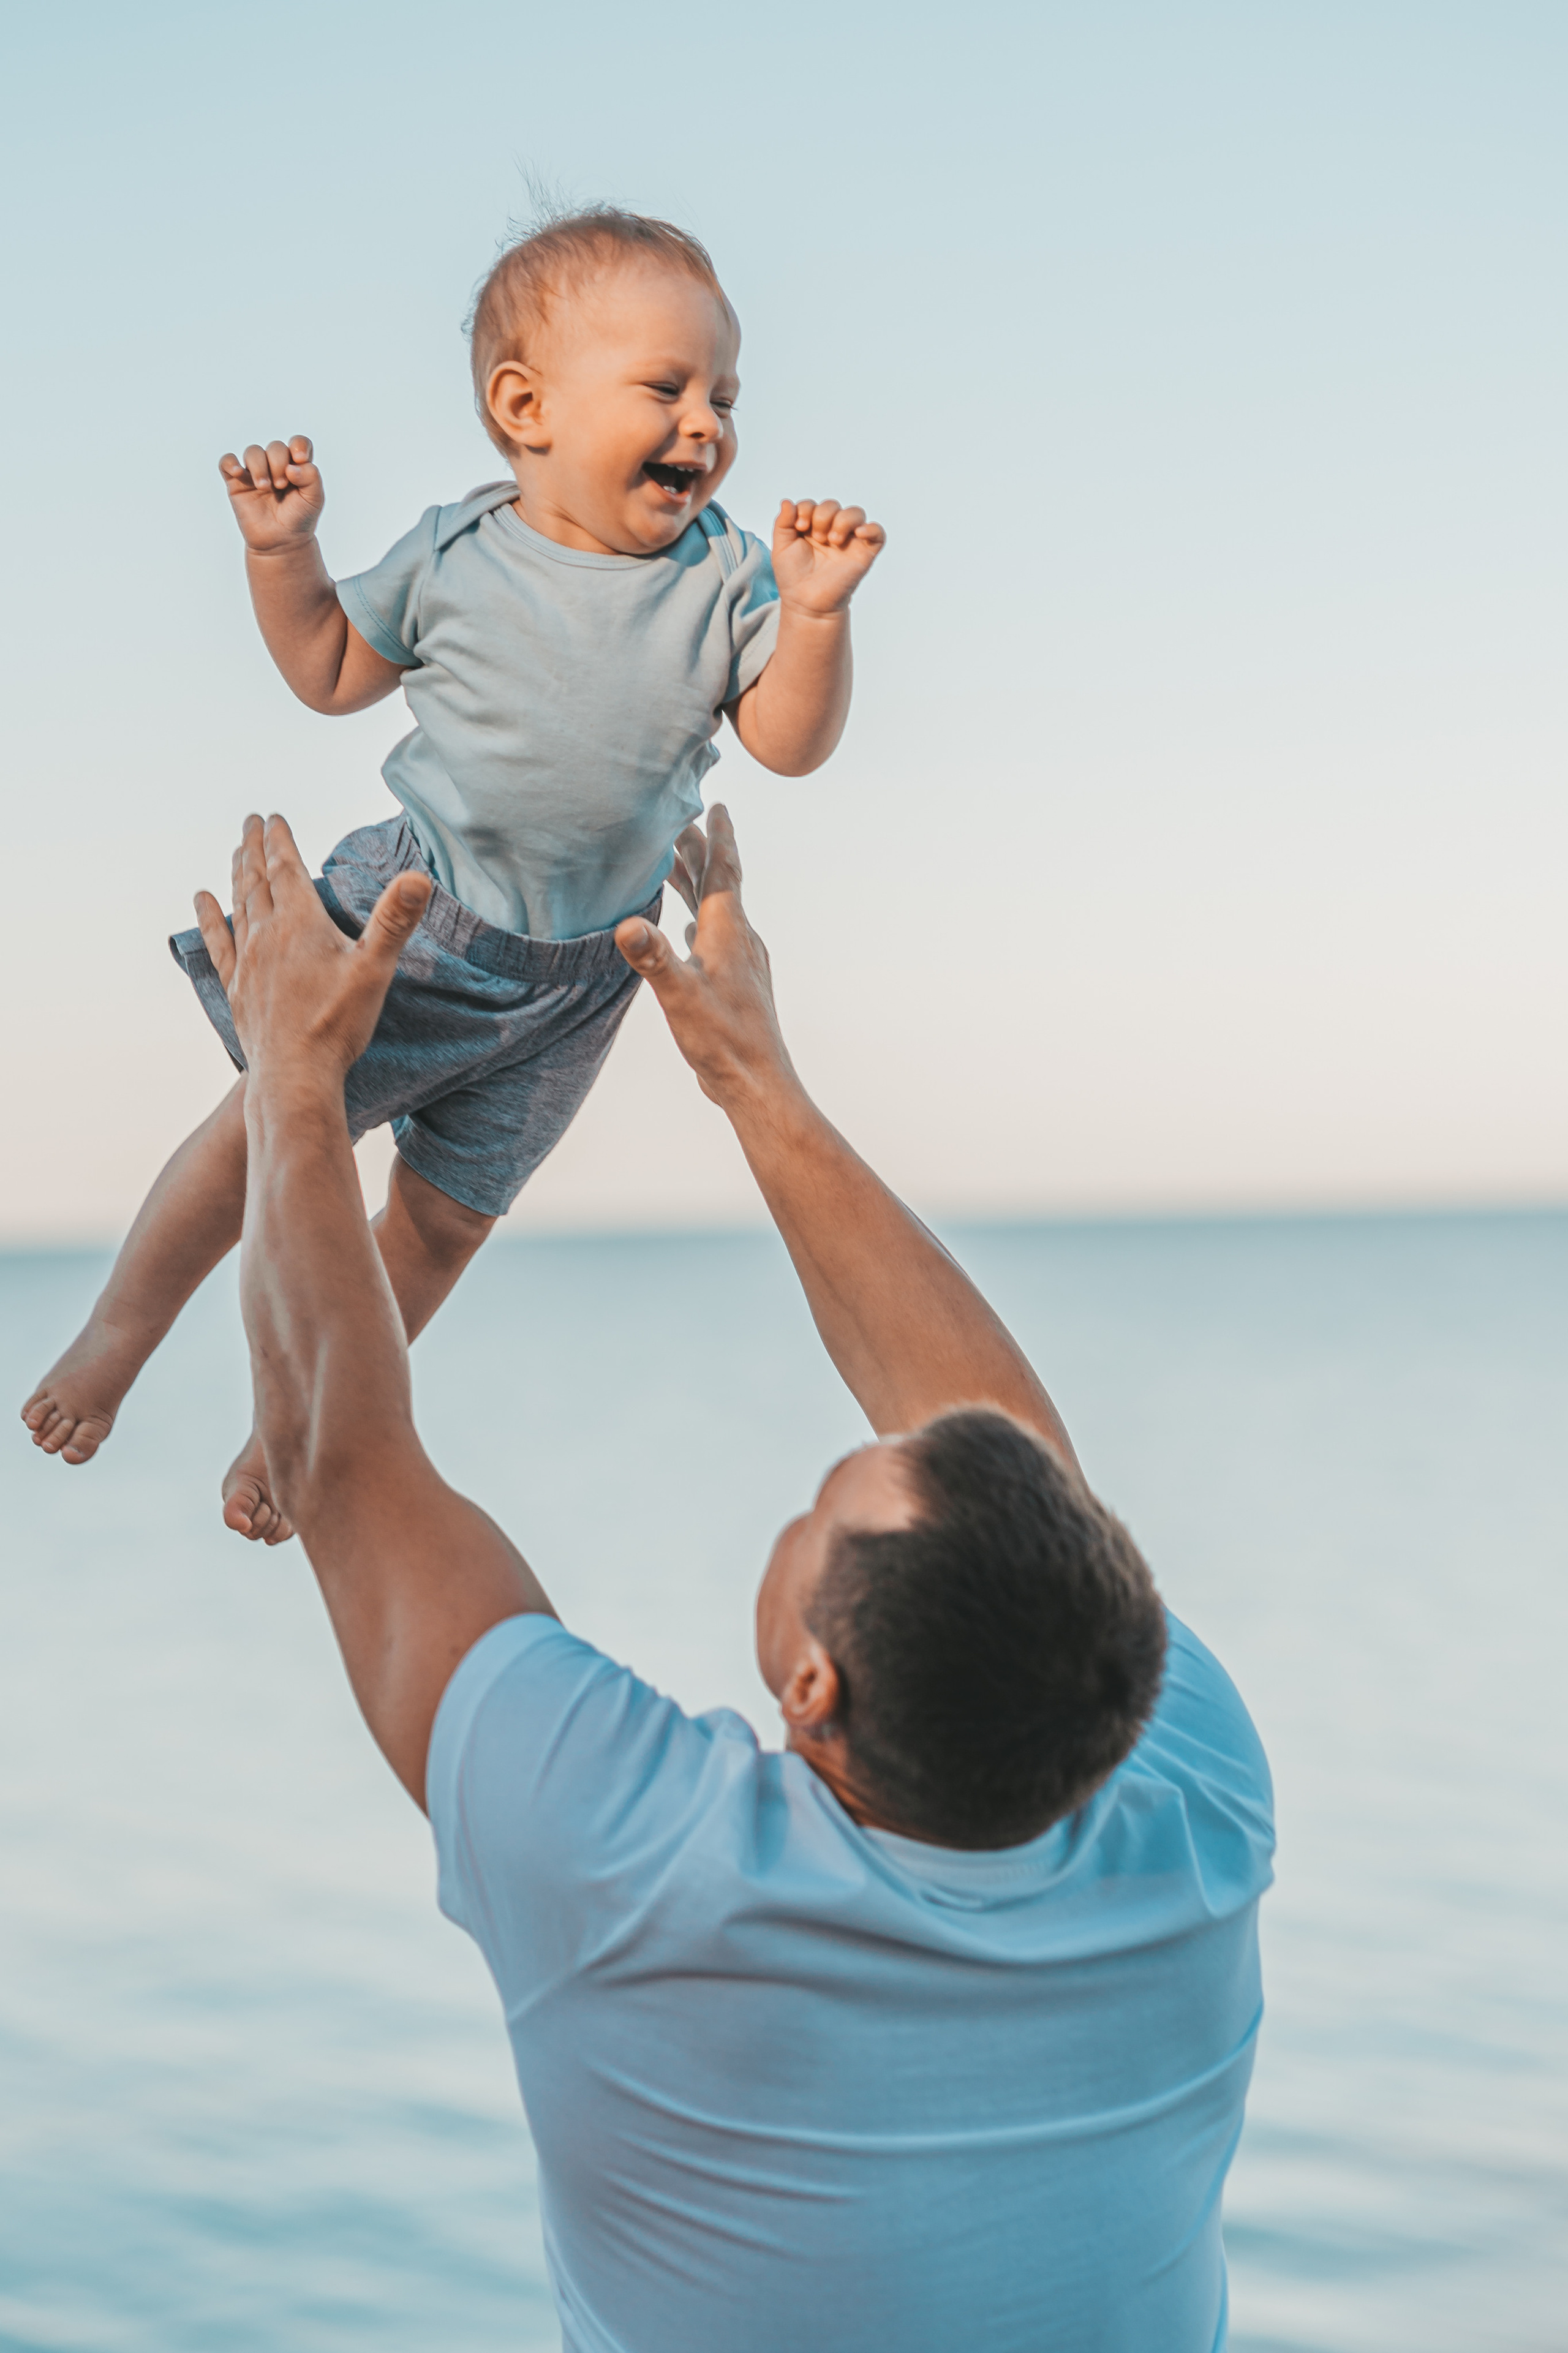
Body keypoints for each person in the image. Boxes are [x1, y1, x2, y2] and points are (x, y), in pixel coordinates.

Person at [189, 801, 1274, 2353]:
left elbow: (341, 1462)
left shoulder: (642, 1873)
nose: (816, 1485)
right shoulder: (1195, 1810)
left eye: (819, 1511)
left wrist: (296, 1077)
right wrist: (752, 1080)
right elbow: (1009, 1465)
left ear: (812, 1688)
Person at [20, 205, 884, 1545]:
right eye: (665, 388)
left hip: (580, 982)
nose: (704, 424)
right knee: (265, 1123)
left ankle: (300, 1421)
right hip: (412, 921)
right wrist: (280, 554)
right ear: (524, 407)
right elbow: (325, 672)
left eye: (723, 394)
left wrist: (817, 618)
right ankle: (115, 1340)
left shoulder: (729, 579)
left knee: (440, 1226)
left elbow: (784, 742)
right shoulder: (459, 552)